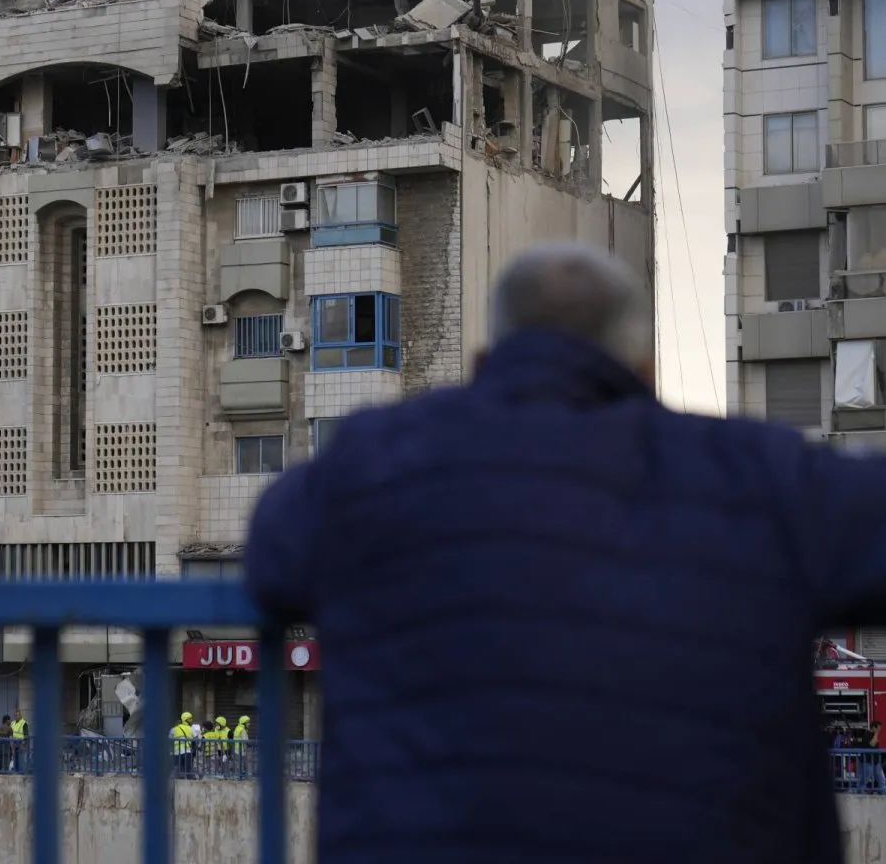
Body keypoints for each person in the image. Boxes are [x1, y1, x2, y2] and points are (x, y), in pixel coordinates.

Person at [246, 241, 886, 864]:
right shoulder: (763, 476)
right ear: (644, 374)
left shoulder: (370, 462)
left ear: (481, 365)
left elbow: (271, 559)